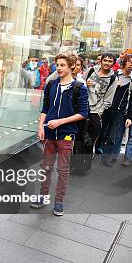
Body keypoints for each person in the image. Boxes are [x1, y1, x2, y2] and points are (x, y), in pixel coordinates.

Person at [34, 53, 89, 216]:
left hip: (66, 135)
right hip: (49, 134)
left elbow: (83, 113)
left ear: (71, 66)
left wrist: (60, 121)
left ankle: (59, 201)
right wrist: (40, 127)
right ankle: (43, 197)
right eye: (57, 64)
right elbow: (45, 108)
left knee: (63, 169)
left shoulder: (79, 88)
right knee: (46, 167)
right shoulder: (51, 85)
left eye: (62, 65)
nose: (58, 68)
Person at [100, 55, 132, 166]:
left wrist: (129, 117)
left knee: (114, 134)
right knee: (102, 131)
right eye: (128, 62)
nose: (130, 64)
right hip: (106, 108)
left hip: (120, 111)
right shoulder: (113, 75)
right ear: (124, 62)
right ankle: (97, 152)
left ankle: (108, 157)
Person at [83, 53, 117, 155]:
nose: (107, 63)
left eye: (110, 61)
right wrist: (85, 84)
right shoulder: (91, 71)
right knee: (79, 137)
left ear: (113, 64)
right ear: (101, 61)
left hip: (96, 112)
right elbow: (79, 83)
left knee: (91, 140)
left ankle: (87, 163)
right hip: (82, 109)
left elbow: (108, 99)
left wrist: (99, 112)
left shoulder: (113, 78)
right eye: (105, 60)